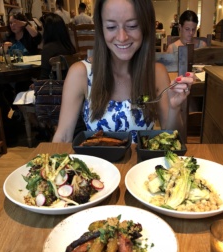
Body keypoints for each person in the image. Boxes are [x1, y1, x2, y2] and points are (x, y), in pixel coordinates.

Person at [52, 0, 194, 144]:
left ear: (146, 26)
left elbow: (174, 140)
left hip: (141, 165)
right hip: (97, 165)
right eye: (111, 26)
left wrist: (174, 108)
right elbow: (63, 136)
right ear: (101, 28)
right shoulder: (80, 73)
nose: (122, 37)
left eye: (132, 26)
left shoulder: (156, 73)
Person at [13, 13, 77, 140]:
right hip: (69, 91)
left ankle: (42, 127)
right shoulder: (70, 47)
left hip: (54, 94)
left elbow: (43, 78)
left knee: (19, 95)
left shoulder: (48, 48)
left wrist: (34, 84)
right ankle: (45, 127)